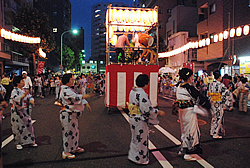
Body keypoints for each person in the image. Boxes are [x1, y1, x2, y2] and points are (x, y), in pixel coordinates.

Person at [127, 74, 165, 165]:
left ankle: (133, 156)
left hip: (132, 117)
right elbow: (146, 110)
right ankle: (140, 159)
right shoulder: (142, 94)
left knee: (135, 138)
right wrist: (158, 112)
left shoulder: (133, 91)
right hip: (140, 119)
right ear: (145, 84)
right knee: (141, 139)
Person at [176, 68, 211, 161]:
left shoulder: (179, 86)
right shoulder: (189, 87)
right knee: (191, 130)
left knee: (184, 130)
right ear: (190, 76)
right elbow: (199, 98)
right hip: (189, 111)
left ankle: (183, 148)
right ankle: (189, 152)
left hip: (182, 111)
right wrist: (207, 104)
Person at [59, 73, 93, 159]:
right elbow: (76, 97)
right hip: (67, 114)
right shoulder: (65, 90)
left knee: (74, 132)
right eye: (72, 79)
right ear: (67, 80)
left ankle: (74, 147)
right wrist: (88, 95)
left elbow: (77, 98)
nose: (74, 81)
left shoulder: (69, 89)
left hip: (71, 114)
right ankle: (66, 151)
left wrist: (86, 102)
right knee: (68, 132)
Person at [10, 76, 37, 150]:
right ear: (18, 83)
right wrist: (24, 95)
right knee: (18, 127)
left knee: (29, 126)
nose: (23, 82)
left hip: (25, 111)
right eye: (22, 81)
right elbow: (16, 99)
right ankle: (18, 142)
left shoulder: (24, 90)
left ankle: (30, 140)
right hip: (17, 112)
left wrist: (31, 100)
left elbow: (30, 96)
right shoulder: (14, 91)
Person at [208, 70, 231, 139]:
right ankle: (215, 133)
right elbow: (226, 93)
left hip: (212, 102)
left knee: (214, 117)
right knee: (218, 118)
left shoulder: (211, 84)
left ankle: (212, 131)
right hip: (218, 103)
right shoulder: (220, 85)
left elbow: (208, 93)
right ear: (220, 77)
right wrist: (225, 103)